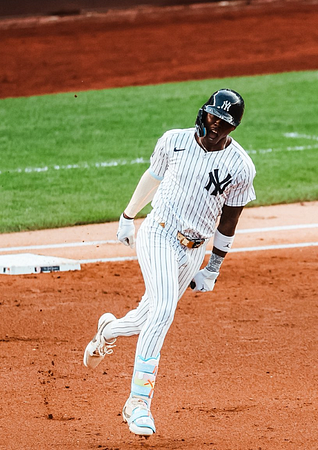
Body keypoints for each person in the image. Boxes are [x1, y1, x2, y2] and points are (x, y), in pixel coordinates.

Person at [82, 89, 256, 437]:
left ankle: (108, 331)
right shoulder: (173, 141)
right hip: (159, 232)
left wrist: (212, 268)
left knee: (146, 317)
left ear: (232, 127)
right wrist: (128, 216)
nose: (213, 124)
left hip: (193, 251)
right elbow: (153, 177)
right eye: (211, 116)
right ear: (203, 112)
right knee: (163, 311)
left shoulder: (241, 167)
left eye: (222, 122)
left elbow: (228, 222)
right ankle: (138, 402)